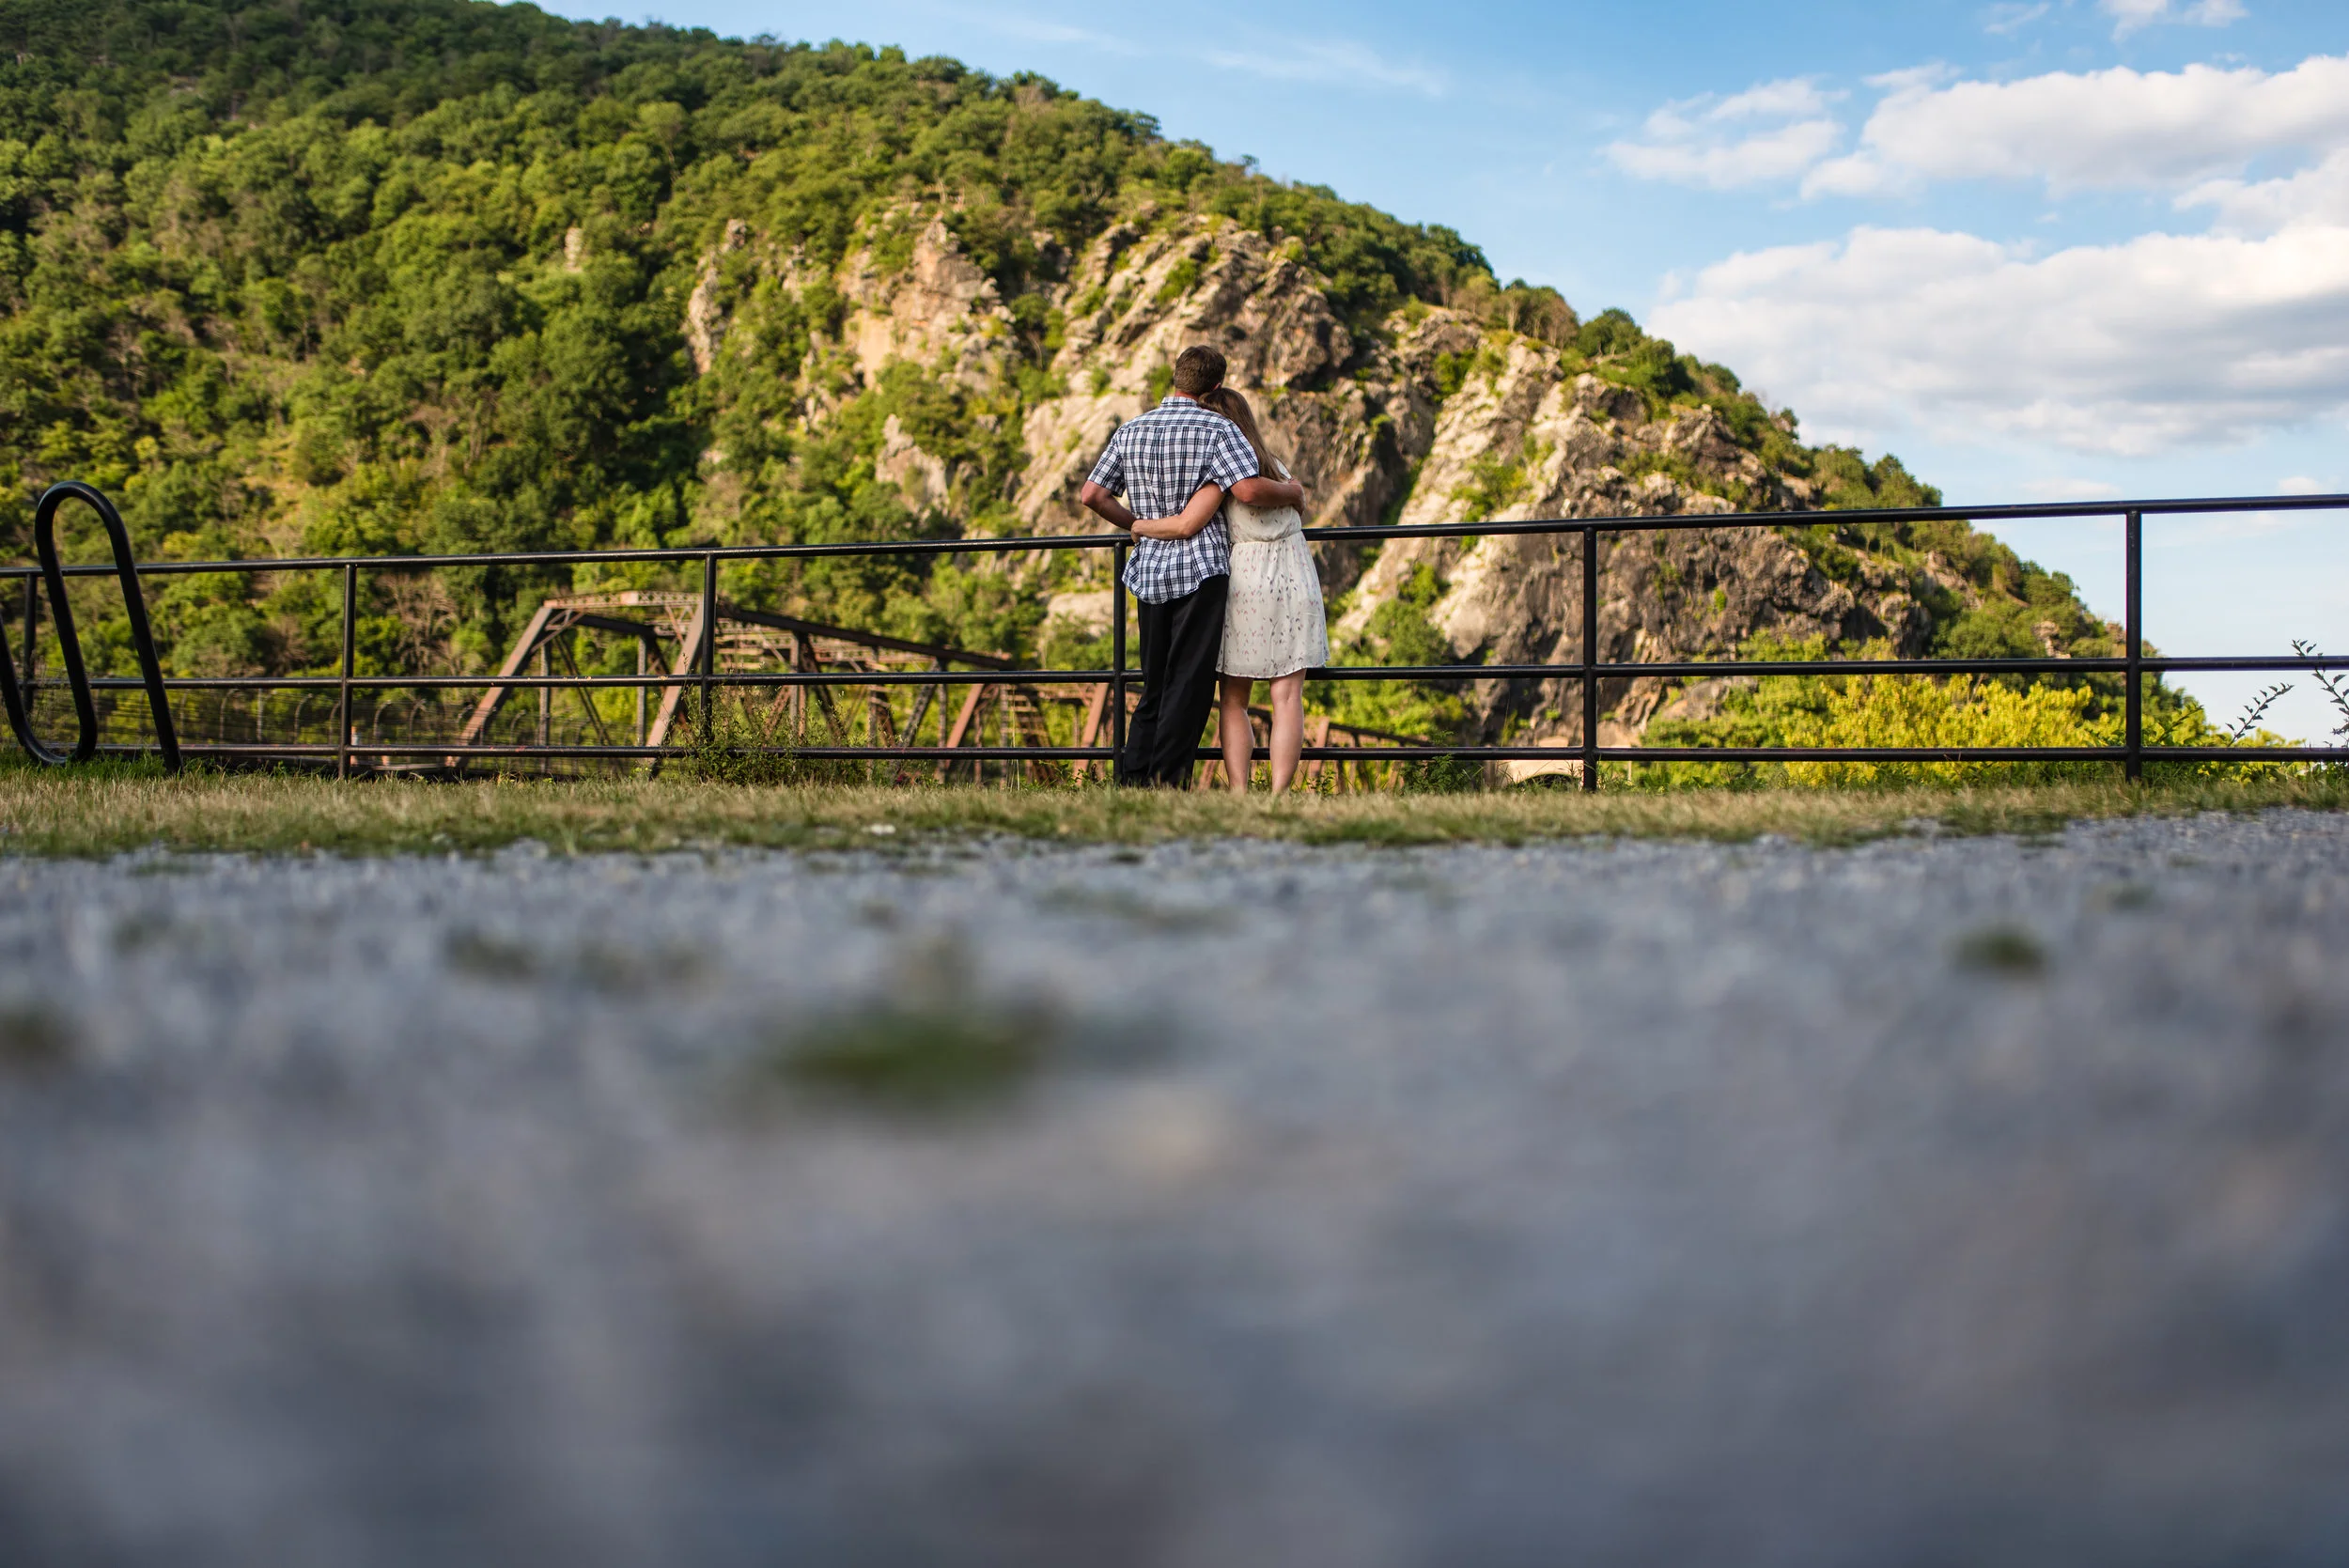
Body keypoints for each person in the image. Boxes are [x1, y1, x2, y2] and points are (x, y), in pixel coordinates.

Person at [1077, 346, 1305, 786]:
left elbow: (1092, 495)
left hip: (1149, 572)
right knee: (1190, 684)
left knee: (1154, 682)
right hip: (1201, 571)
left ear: (1176, 377)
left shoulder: (1132, 429)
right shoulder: (1219, 429)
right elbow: (1249, 492)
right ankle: (1168, 781)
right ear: (1215, 386)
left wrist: (1136, 525)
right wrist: (1293, 493)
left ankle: (1134, 779)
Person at [1200, 385, 1325, 794]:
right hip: (1295, 573)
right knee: (1288, 698)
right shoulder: (1278, 468)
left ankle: (1239, 791)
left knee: (1234, 698)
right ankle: (1278, 795)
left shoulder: (1218, 472)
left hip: (1247, 579)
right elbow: (1294, 501)